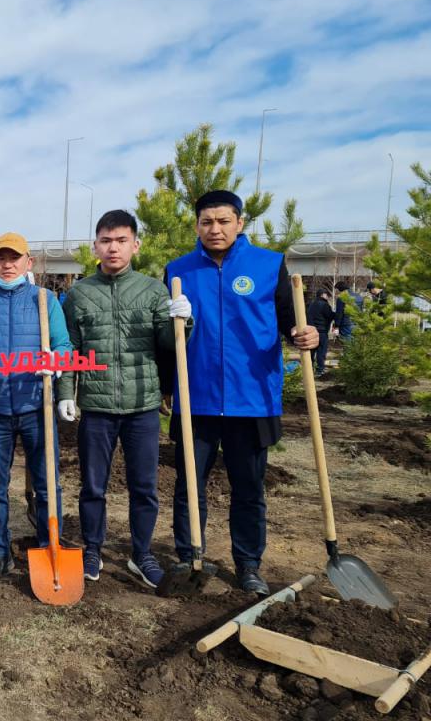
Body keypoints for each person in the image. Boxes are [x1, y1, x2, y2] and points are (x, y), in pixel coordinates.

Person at [165, 190, 319, 596]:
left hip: (251, 398)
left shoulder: (268, 265)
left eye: (223, 221)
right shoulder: (178, 271)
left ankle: (248, 562)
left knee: (248, 487)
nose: (215, 229)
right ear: (196, 225)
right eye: (206, 222)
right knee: (189, 485)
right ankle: (189, 554)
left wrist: (306, 335)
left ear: (240, 223)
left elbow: (291, 323)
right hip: (194, 397)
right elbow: (168, 338)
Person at [57, 210, 188, 588]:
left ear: (135, 244)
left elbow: (169, 346)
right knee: (93, 485)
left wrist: (183, 321)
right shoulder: (80, 294)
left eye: (121, 240)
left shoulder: (153, 290)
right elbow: (69, 351)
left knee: (144, 486)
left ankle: (141, 553)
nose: (113, 248)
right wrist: (67, 394)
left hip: (142, 406)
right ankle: (93, 548)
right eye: (105, 241)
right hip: (97, 409)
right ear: (95, 246)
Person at [0, 232, 72, 581]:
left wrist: (55, 360)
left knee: (46, 483)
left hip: (36, 406)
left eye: (15, 258)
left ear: (29, 262)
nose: (8, 265)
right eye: (1, 259)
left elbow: (64, 346)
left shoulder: (45, 298)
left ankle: (47, 543)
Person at [306, 288, 335, 377]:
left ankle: (309, 370)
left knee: (311, 352)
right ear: (322, 295)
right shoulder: (324, 305)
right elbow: (329, 315)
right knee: (321, 351)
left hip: (311, 331)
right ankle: (320, 370)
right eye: (326, 294)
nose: (327, 296)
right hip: (321, 331)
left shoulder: (311, 304)